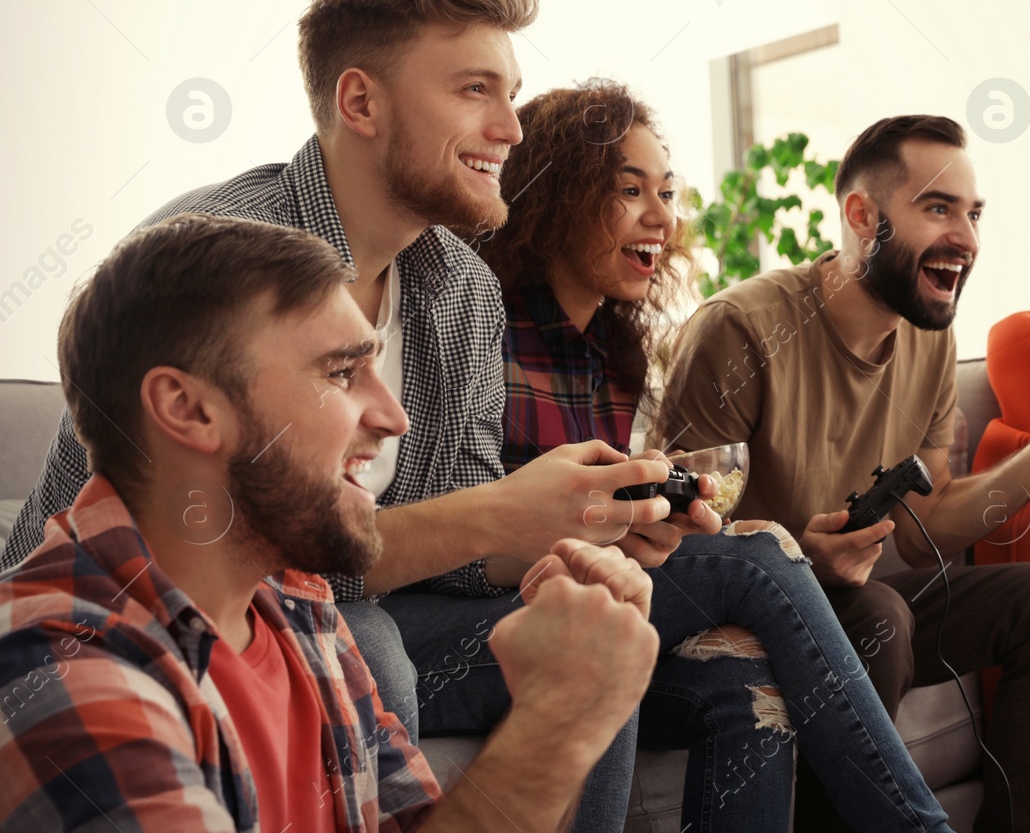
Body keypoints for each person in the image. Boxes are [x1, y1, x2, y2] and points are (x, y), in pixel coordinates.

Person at [0, 0, 673, 826]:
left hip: (316, 596)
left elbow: (446, 543)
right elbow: (134, 531)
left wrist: (578, 523)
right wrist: (498, 515)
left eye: (509, 94)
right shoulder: (215, 260)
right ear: (360, 99)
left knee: (595, 634)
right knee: (378, 652)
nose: (512, 129)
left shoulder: (464, 287)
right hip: (213, 601)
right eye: (476, 90)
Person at [0, 214, 658, 831]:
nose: (393, 418)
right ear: (188, 410)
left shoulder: (297, 607)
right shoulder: (61, 666)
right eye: (342, 372)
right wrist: (553, 726)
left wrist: (573, 701)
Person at [468, 79, 954, 832]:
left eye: (666, 192)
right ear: (558, 193)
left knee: (743, 680)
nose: (662, 217)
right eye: (630, 190)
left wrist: (652, 521)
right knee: (756, 553)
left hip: (598, 589)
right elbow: (479, 520)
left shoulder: (613, 348)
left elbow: (602, 514)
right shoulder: (482, 327)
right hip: (501, 611)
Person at [652, 114, 1030, 832]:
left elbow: (928, 532)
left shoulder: (929, 339)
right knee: (880, 615)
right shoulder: (741, 328)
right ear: (863, 216)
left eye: (974, 214)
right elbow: (682, 536)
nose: (968, 239)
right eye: (938, 208)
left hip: (855, 602)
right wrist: (800, 556)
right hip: (751, 617)